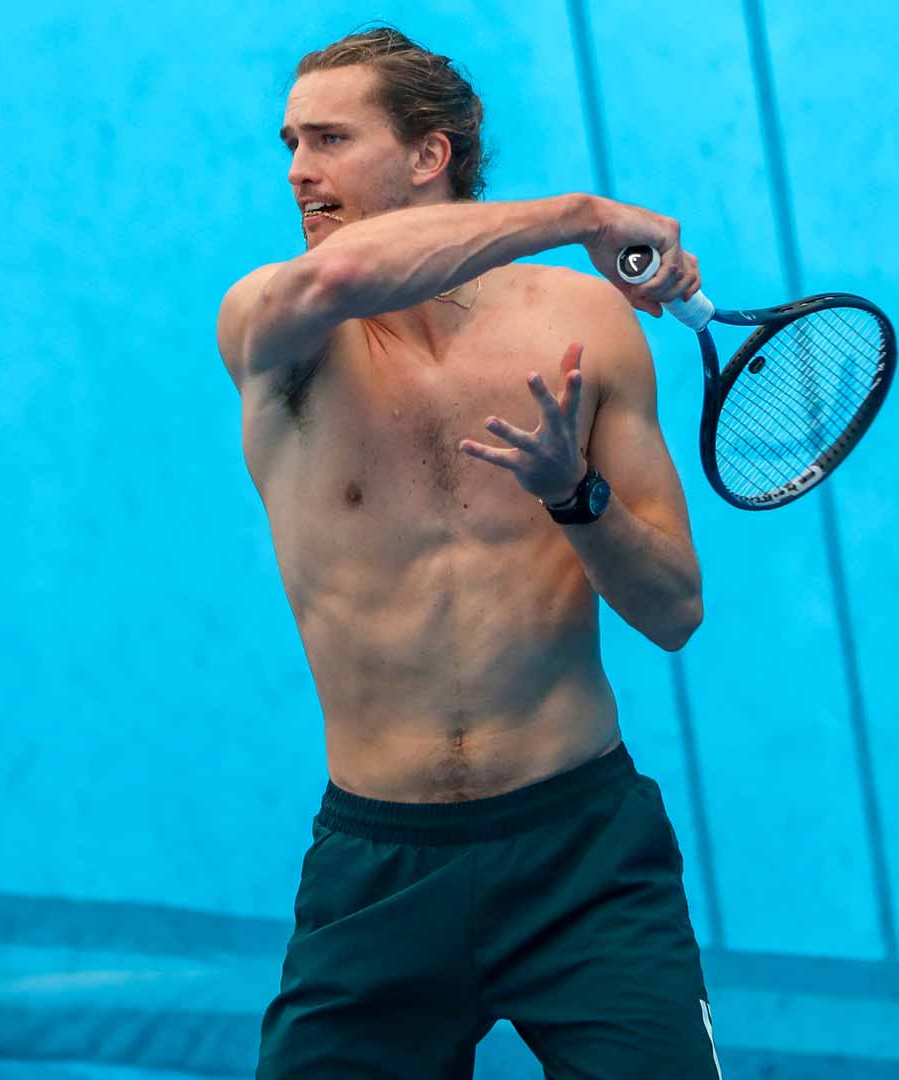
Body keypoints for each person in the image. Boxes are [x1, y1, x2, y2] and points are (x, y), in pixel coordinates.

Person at [215, 24, 722, 1079]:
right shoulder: (278, 325)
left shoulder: (585, 326)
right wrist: (584, 213)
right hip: (378, 871)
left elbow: (674, 608)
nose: (299, 170)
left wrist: (572, 499)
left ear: (429, 154)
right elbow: (341, 277)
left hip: (583, 854)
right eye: (289, 144)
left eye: (329, 139)